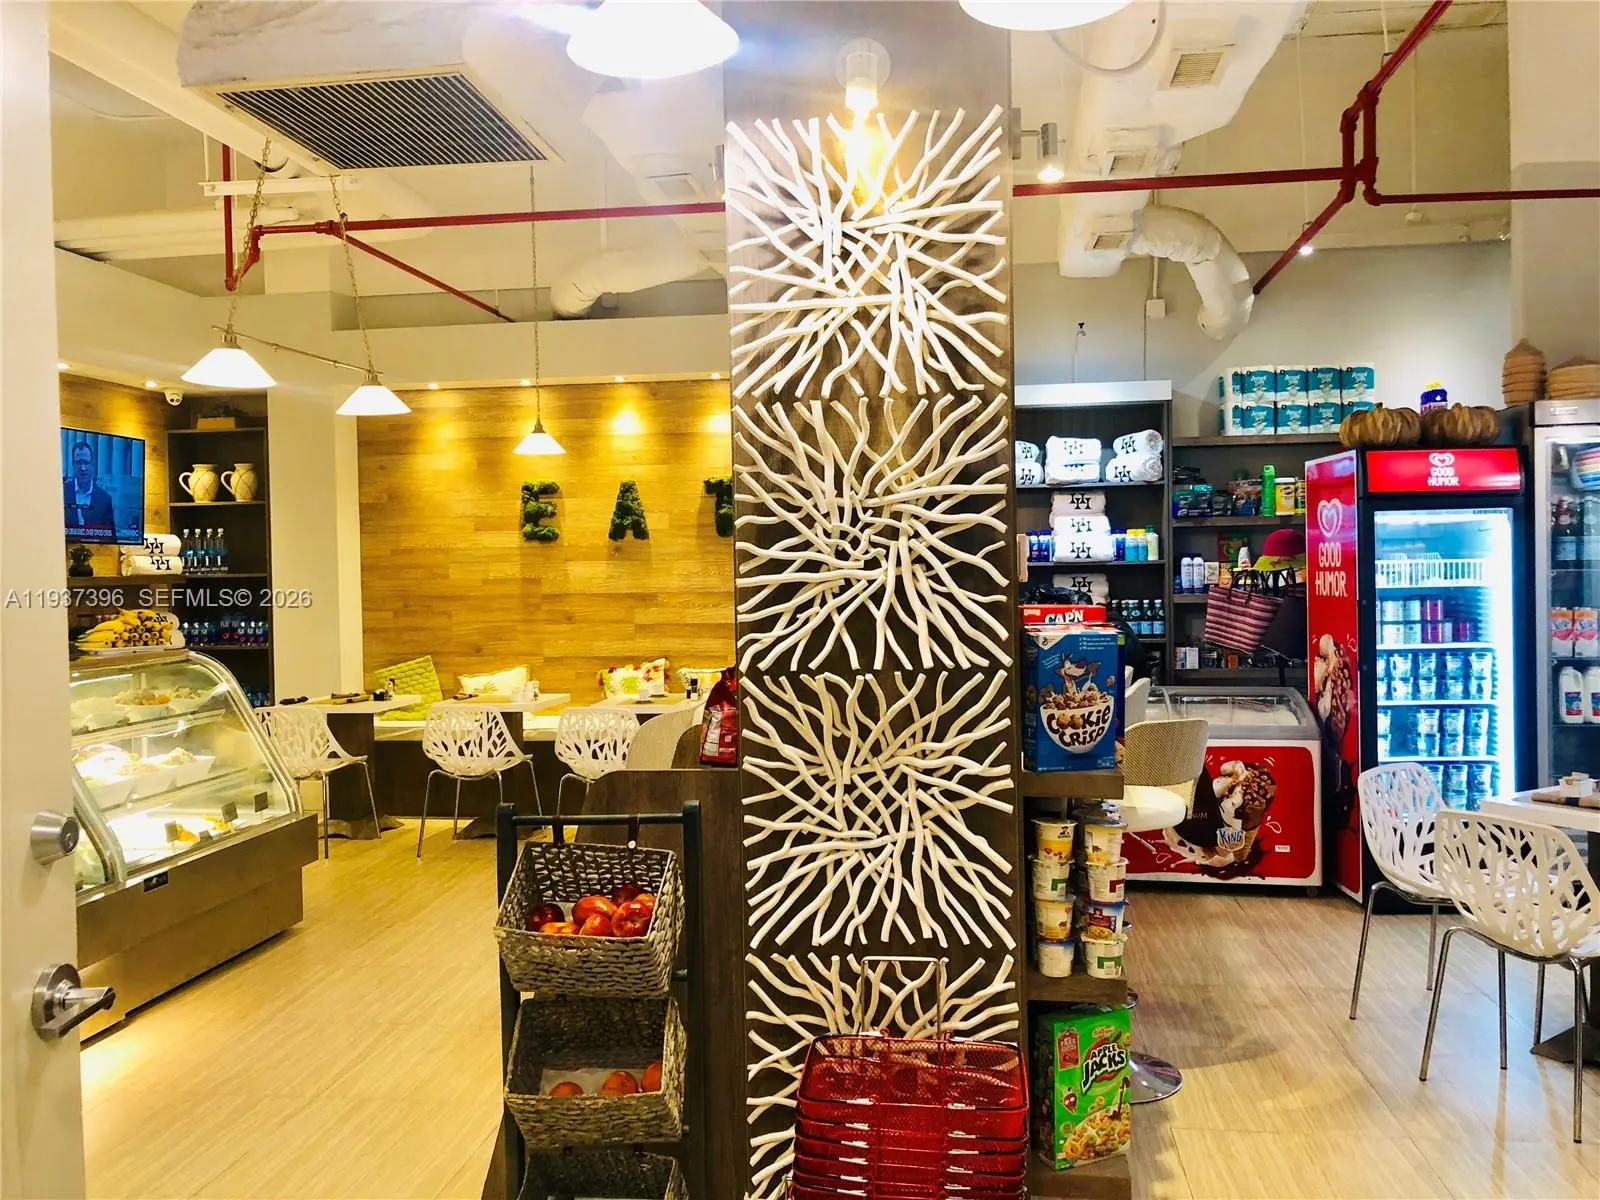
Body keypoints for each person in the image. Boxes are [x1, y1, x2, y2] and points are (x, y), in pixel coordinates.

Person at [65, 439, 116, 537]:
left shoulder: (105, 499)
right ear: (73, 465)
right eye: (79, 462)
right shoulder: (61, 493)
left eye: (86, 462)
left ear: (92, 464)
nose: (83, 468)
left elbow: (111, 538)